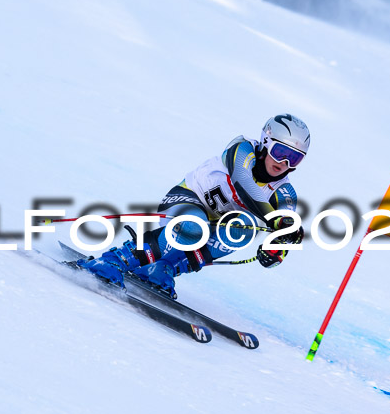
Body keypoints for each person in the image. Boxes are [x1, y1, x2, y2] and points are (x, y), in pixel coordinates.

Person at [79, 113, 309, 298]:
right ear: (266, 142)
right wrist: (276, 220)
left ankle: (164, 268)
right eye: (281, 152)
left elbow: (280, 241)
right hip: (185, 202)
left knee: (242, 230)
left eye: (294, 158)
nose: (284, 163)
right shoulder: (242, 149)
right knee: (192, 227)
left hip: (214, 224)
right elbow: (243, 182)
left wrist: (279, 245)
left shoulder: (285, 193)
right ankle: (115, 259)